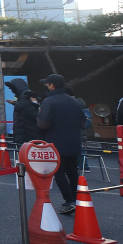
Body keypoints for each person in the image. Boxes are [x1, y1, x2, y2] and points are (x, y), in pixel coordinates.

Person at [37, 73, 88, 215]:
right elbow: (83, 122)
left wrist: (41, 133)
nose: (47, 86)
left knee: (58, 172)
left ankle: (69, 200)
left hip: (55, 142)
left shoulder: (49, 101)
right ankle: (77, 199)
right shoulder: (74, 102)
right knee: (72, 171)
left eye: (47, 84)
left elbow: (43, 124)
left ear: (52, 85)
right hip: (73, 141)